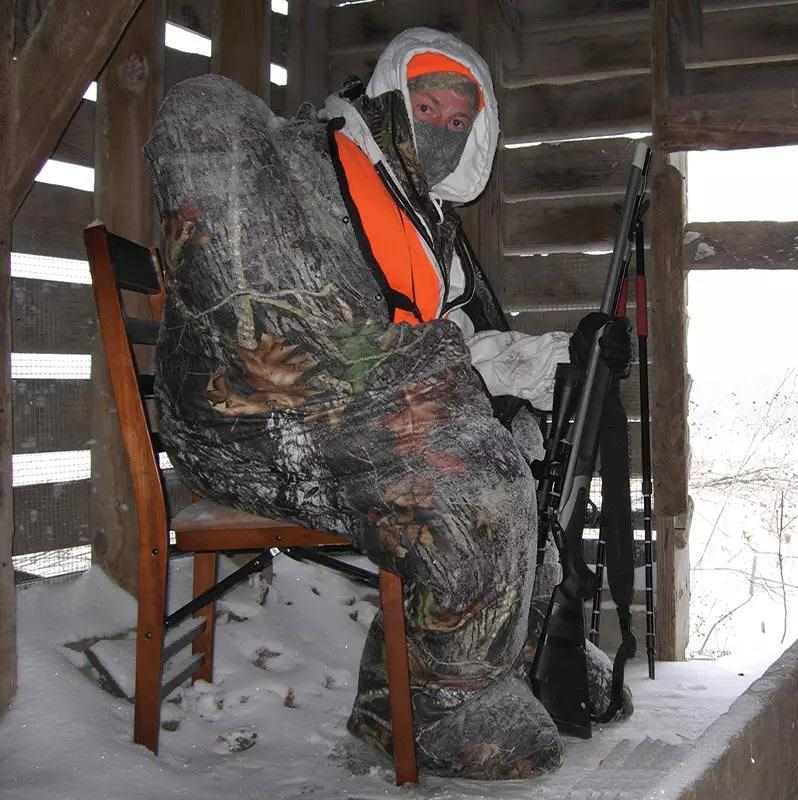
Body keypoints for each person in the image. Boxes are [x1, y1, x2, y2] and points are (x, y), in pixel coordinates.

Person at [144, 27, 630, 780]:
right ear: (389, 99)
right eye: (426, 106)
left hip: (370, 420)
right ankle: (428, 712)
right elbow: (290, 326)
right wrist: (436, 371)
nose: (439, 128)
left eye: (456, 121)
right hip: (267, 425)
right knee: (473, 485)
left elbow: (451, 335)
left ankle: (507, 649)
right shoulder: (312, 164)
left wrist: (541, 363)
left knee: (525, 444)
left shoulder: (428, 220)